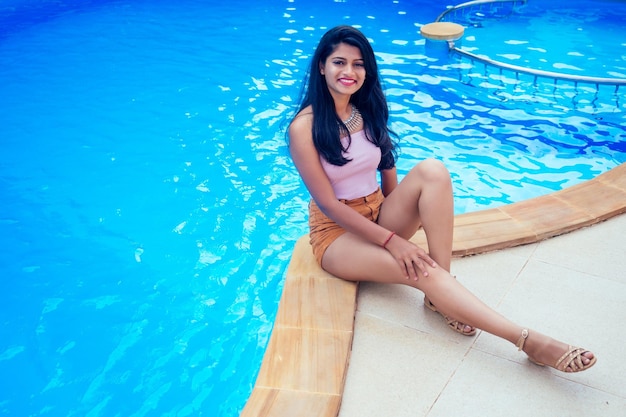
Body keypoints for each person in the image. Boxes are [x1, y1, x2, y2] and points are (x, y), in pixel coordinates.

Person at [287, 25, 596, 373]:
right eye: (339, 63)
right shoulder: (304, 127)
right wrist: (392, 242)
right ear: (321, 67)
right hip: (338, 234)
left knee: (433, 170)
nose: (349, 72)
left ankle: (440, 297)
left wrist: (395, 216)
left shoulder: (366, 108)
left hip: (377, 213)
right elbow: (328, 205)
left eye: (358, 64)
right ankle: (527, 340)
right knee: (421, 268)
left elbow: (386, 165)